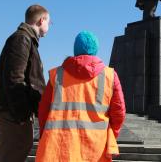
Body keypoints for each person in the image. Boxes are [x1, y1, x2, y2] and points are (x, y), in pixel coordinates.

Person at [36, 31, 126, 162]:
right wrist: (111, 134)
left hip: (59, 148)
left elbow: (43, 111)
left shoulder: (56, 75)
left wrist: (45, 134)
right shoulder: (110, 76)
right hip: (95, 149)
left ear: (75, 49)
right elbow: (119, 113)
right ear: (95, 50)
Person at [0, 4, 50, 162]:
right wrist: (22, 114)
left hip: (14, 111)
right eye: (49, 22)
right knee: (14, 153)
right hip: (13, 112)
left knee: (18, 149)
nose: (49, 26)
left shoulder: (26, 39)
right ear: (41, 20)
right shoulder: (22, 38)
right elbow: (14, 78)